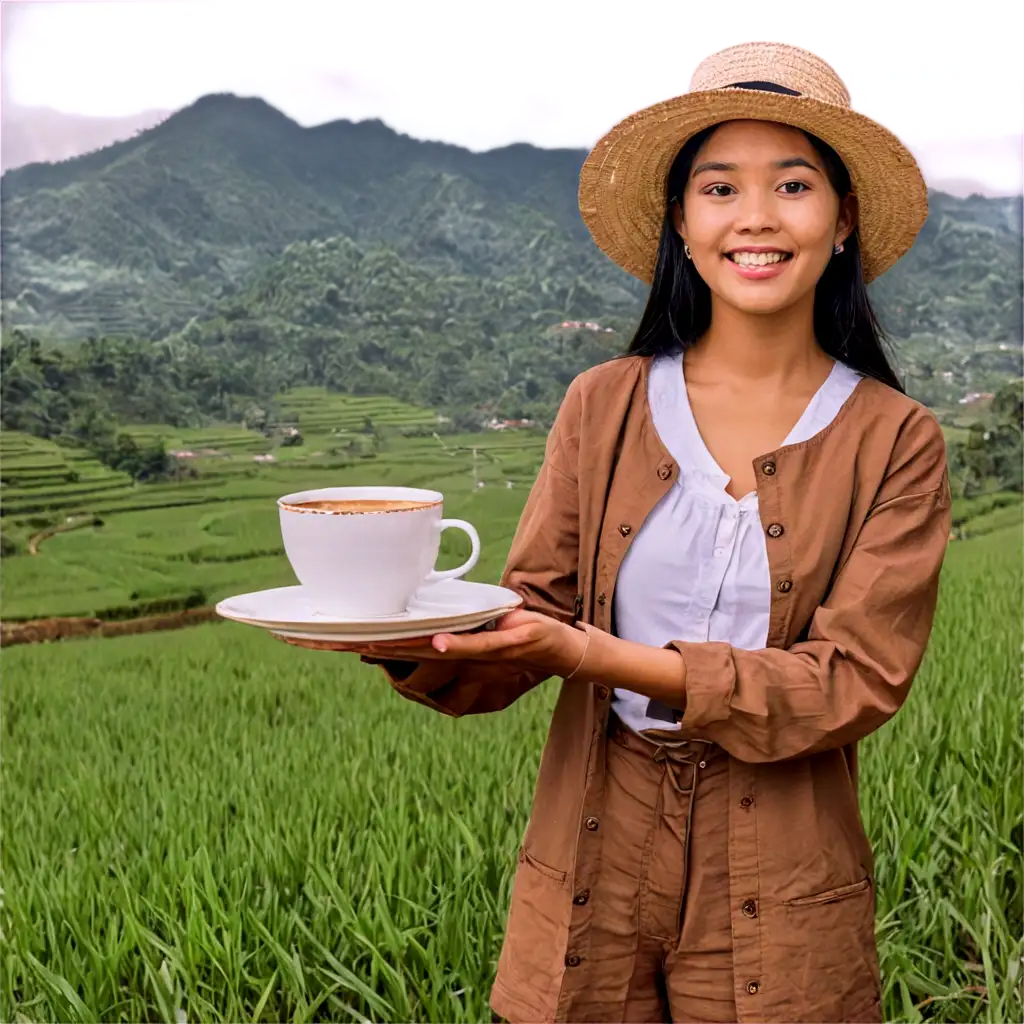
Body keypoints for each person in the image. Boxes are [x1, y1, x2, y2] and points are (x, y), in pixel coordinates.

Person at [285, 40, 951, 1024]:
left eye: (794, 184)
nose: (756, 217)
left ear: (841, 218)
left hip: (781, 849)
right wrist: (402, 641)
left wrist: (592, 652)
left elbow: (851, 680)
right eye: (719, 188)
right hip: (602, 828)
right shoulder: (602, 406)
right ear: (681, 223)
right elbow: (531, 621)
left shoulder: (896, 440)